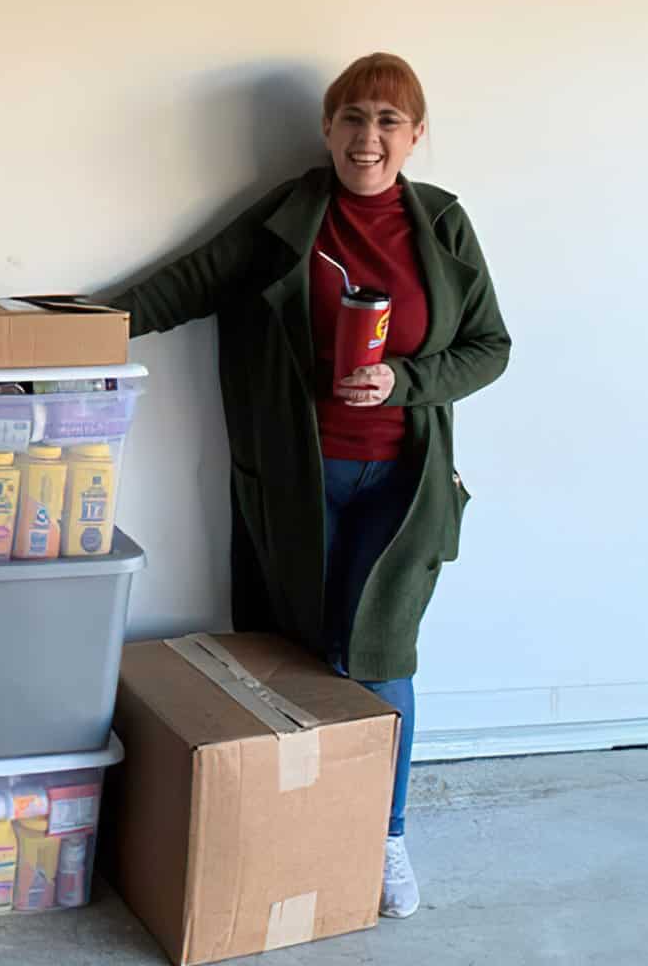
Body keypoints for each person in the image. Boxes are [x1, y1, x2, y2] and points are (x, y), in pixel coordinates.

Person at [110, 53, 507, 919]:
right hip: (293, 480)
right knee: (293, 655)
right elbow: (186, 282)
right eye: (353, 119)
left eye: (388, 122)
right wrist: (73, 327)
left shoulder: (440, 225)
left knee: (381, 655)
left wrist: (402, 381)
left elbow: (489, 347)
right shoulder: (292, 217)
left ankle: (384, 836)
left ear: (415, 135)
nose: (369, 138)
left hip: (400, 486)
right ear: (328, 129)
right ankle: (297, 828)